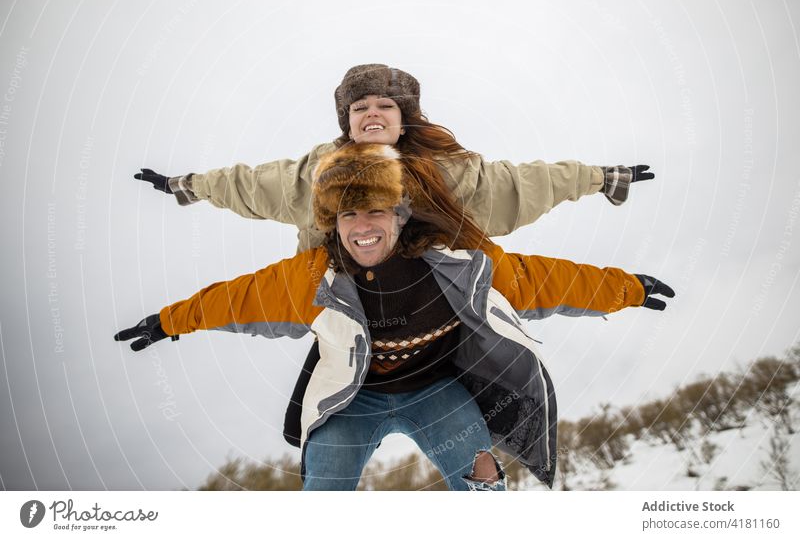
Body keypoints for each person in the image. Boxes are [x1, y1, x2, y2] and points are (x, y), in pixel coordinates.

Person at [133, 63, 656, 448]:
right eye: (360, 107)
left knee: (466, 387)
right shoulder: (321, 170)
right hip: (351, 302)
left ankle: (463, 401)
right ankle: (346, 397)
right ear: (348, 121)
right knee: (342, 373)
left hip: (437, 301)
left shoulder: (451, 172)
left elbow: (525, 184)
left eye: (384, 106)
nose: (372, 114)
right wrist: (189, 186)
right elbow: (250, 184)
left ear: (404, 118)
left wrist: (599, 179)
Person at [116, 142, 674, 491]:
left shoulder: (459, 267)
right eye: (349, 215)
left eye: (376, 212)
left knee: (479, 468)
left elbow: (547, 280)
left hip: (435, 391)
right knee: (325, 483)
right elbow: (232, 300)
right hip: (352, 401)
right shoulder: (312, 279)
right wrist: (167, 322)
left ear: (399, 217)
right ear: (333, 224)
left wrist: (626, 288)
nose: (363, 226)